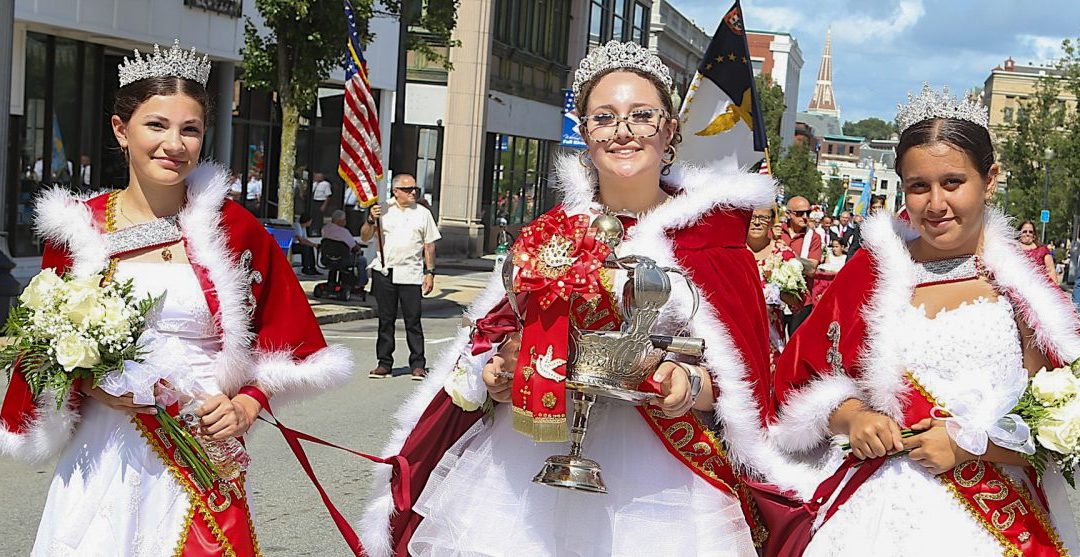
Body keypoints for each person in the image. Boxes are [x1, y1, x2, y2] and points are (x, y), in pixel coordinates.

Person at [358, 40, 816, 557]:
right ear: (585, 132)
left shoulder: (712, 241)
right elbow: (492, 338)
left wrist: (686, 384)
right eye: (604, 117)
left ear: (670, 130)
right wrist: (499, 371)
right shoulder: (550, 233)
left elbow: (747, 384)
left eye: (641, 115)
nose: (622, 132)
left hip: (662, 480)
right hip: (528, 459)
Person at [0, 42, 353, 556]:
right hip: (106, 446)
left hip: (201, 438)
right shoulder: (77, 232)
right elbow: (41, 349)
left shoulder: (233, 229)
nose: (174, 144)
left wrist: (248, 404)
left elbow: (286, 333)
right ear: (121, 131)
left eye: (190, 129)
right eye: (156, 126)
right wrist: (93, 384)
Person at [769, 86, 1080, 555]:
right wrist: (853, 417)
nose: (936, 204)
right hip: (875, 507)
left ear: (990, 179)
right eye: (919, 187)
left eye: (953, 182)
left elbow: (1062, 422)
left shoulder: (1024, 289)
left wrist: (969, 447)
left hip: (995, 512)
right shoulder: (871, 273)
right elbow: (798, 381)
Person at [362, 174, 440, 381]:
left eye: (415, 188)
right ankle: (384, 363)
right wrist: (370, 219)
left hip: (411, 272)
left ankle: (417, 364)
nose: (413, 192)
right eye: (407, 189)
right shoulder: (382, 210)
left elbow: (429, 245)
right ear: (395, 191)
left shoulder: (422, 213)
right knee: (386, 319)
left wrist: (430, 272)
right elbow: (365, 236)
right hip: (385, 270)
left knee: (412, 319)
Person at [748, 206, 800, 358]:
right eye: (752, 217)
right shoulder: (732, 251)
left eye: (763, 218)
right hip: (736, 333)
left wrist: (779, 291)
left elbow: (797, 302)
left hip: (769, 337)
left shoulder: (783, 253)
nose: (757, 223)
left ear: (771, 222)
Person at [780, 195, 822, 335]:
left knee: (795, 348)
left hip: (801, 302)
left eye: (808, 213)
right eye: (799, 213)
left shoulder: (814, 237)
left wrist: (788, 255)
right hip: (775, 300)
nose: (805, 217)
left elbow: (811, 269)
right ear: (788, 214)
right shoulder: (776, 232)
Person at [322, 209, 368, 289]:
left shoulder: (325, 229)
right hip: (343, 259)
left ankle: (333, 280)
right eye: (344, 220)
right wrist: (358, 248)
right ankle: (360, 284)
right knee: (362, 260)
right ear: (339, 221)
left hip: (327, 258)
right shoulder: (344, 232)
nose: (345, 221)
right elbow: (354, 247)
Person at [1018, 220, 1059, 284]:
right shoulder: (1012, 249)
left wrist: (1055, 289)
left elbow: (1050, 270)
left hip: (1039, 287)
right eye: (1024, 231)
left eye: (1030, 232)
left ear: (1034, 236)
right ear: (1019, 234)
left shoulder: (1043, 250)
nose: (1027, 234)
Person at [311, 171, 333, 236]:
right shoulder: (315, 184)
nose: (317, 178)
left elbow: (328, 195)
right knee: (313, 216)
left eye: (319, 177)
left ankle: (317, 230)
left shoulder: (326, 184)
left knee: (318, 217)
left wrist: (324, 205)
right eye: (316, 177)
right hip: (314, 201)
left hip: (320, 201)